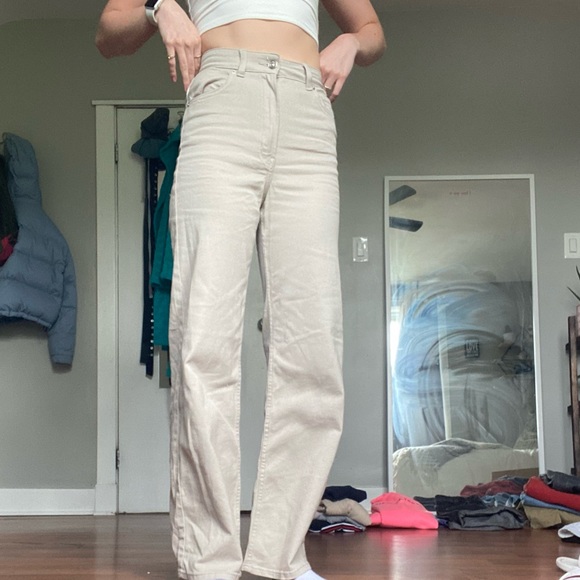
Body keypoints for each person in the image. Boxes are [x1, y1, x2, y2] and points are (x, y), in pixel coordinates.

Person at [96, 2, 385, 579]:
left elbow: (371, 29)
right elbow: (109, 32)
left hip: (307, 110)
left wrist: (351, 43)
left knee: (312, 349)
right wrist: (160, 8)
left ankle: (282, 558)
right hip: (222, 99)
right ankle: (210, 563)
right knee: (204, 341)